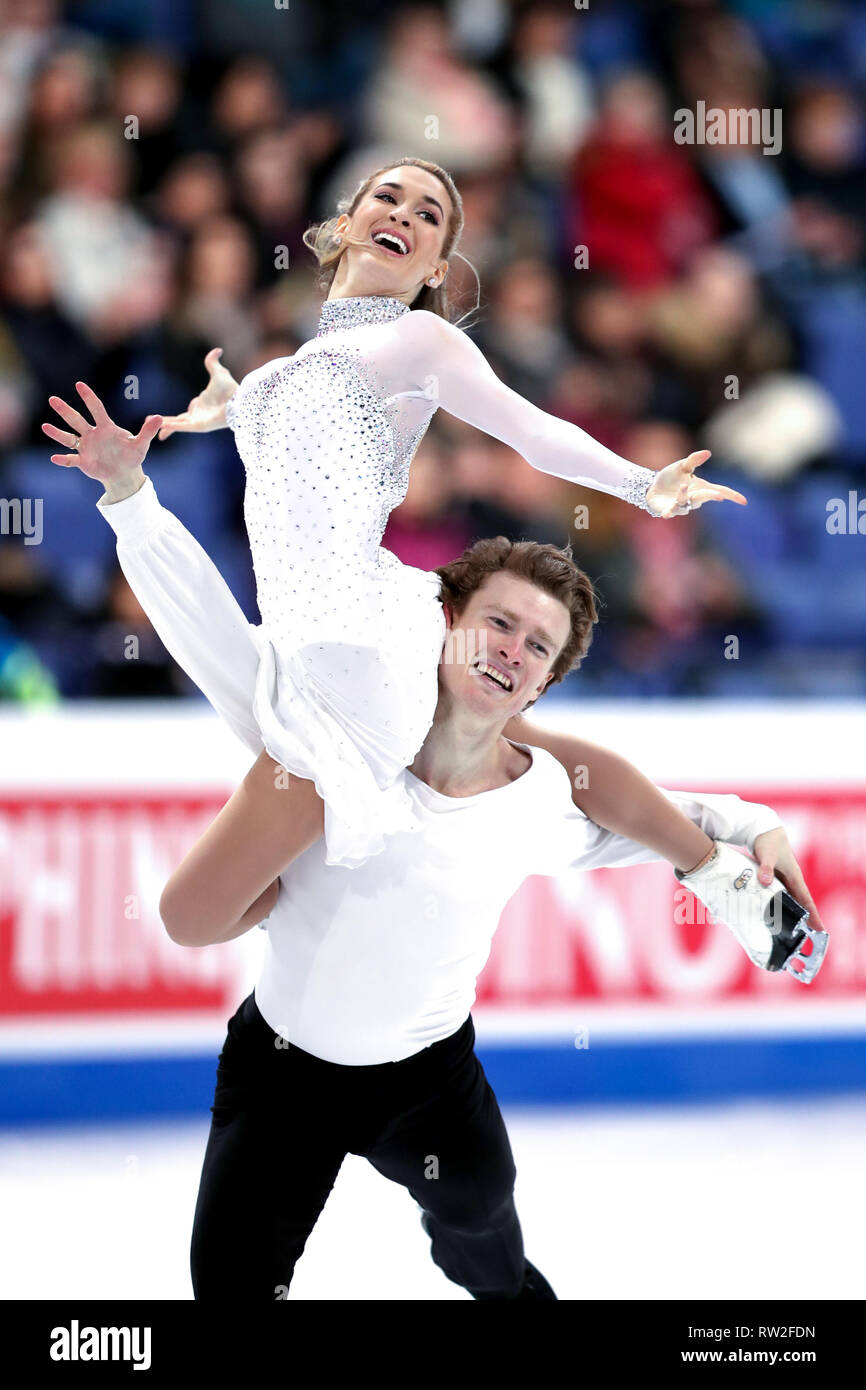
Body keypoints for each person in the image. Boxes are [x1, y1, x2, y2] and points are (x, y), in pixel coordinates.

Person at [89, 467, 824, 1300]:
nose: (512, 650)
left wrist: (751, 823)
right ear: (447, 623)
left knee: (490, 1249)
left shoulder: (540, 798)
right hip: (283, 1072)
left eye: (537, 646)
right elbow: (211, 633)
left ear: (545, 682)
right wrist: (131, 501)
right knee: (227, 1284)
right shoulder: (332, 733)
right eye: (498, 623)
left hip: (430, 1087)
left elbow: (653, 824)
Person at [43, 157, 749, 946]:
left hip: (356, 656)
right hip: (305, 652)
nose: (405, 214)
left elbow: (532, 430)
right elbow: (284, 424)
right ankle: (722, 853)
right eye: (389, 198)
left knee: (199, 912)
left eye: (429, 215)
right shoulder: (280, 371)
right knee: (520, 783)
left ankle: (718, 850)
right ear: (345, 224)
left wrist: (642, 483)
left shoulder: (417, 340)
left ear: (437, 265)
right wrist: (225, 411)